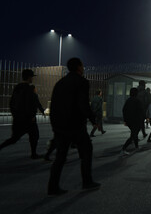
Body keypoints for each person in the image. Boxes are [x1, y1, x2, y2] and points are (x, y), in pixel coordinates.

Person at [48, 58, 100, 196]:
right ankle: (87, 181)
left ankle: (52, 187)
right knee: (86, 151)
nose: (83, 68)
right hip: (75, 125)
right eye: (82, 66)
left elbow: (53, 105)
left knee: (60, 157)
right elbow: (82, 103)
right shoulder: (82, 82)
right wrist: (93, 119)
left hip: (60, 126)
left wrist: (55, 125)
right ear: (78, 67)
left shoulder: (60, 83)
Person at [0, 69, 42, 159]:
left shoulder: (17, 87)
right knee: (34, 135)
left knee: (14, 139)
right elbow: (31, 103)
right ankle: (33, 154)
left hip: (18, 119)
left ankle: (0, 147)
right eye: (32, 77)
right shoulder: (29, 88)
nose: (32, 79)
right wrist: (32, 116)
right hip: (28, 119)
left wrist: (15, 115)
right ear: (30, 77)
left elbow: (12, 103)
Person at [121, 88, 143, 155]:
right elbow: (140, 111)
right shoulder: (137, 101)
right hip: (136, 120)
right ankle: (123, 149)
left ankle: (136, 147)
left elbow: (124, 110)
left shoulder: (128, 100)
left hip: (129, 121)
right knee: (133, 135)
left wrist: (125, 120)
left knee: (134, 134)